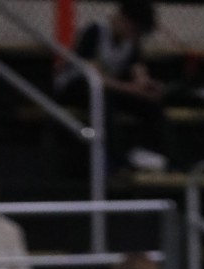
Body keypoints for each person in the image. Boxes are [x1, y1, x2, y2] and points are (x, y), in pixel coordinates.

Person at [55, 0, 172, 171]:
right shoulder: (95, 31)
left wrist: (146, 86)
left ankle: (165, 157)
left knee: (151, 103)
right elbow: (94, 77)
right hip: (76, 87)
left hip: (108, 88)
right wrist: (131, 89)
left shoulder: (131, 40)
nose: (134, 35)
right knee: (103, 100)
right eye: (134, 29)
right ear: (124, 19)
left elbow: (138, 71)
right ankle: (117, 160)